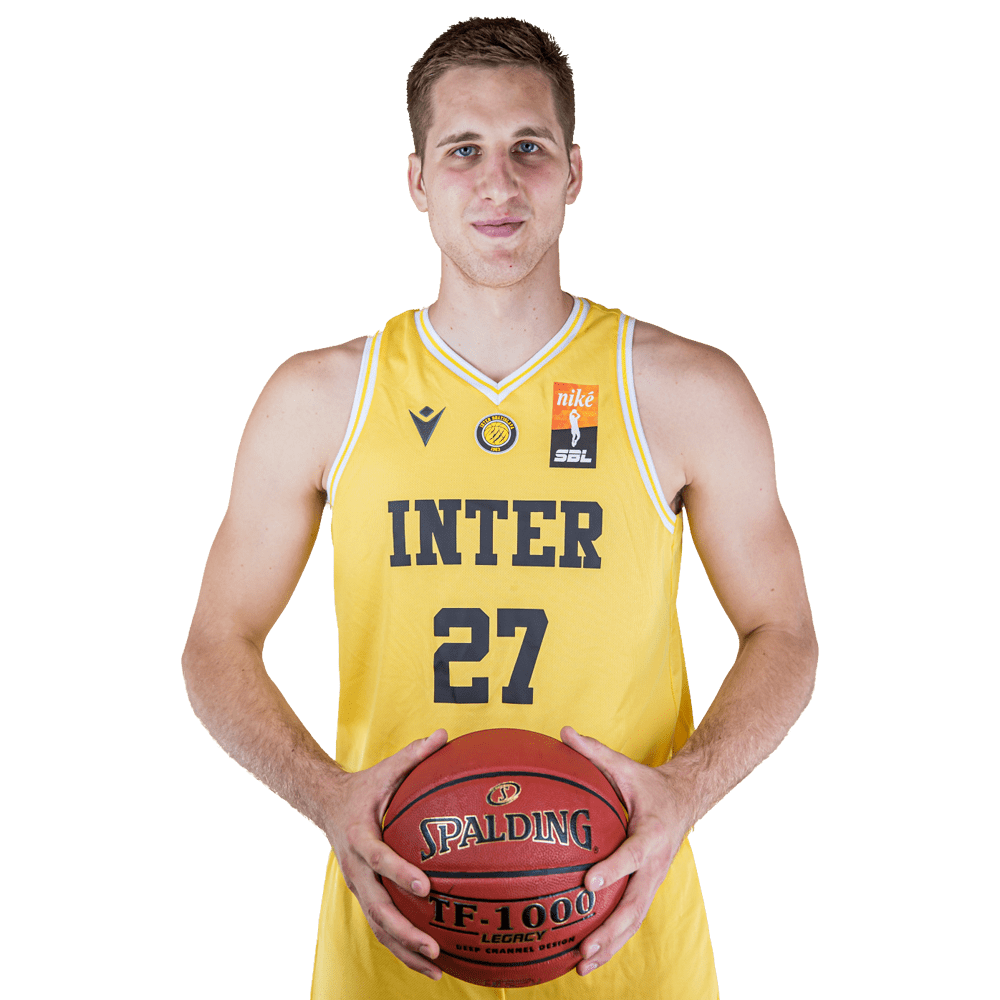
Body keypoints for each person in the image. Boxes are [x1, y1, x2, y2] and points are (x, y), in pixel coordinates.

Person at [181, 15, 818, 999]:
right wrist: (326, 796)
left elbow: (785, 632)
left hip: (629, 944)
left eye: (528, 147)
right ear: (417, 181)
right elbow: (215, 642)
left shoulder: (686, 390)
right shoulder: (321, 398)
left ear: (573, 172)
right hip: (391, 942)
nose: (498, 182)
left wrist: (685, 791)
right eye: (462, 150)